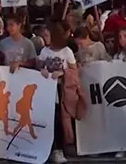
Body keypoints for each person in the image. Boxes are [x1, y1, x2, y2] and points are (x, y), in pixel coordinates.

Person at [37, 22, 77, 164]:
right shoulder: (44, 52)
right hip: (47, 91)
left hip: (61, 90)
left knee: (61, 120)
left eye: (47, 35)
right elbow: (38, 66)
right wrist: (42, 70)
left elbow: (75, 70)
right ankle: (50, 149)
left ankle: (60, 149)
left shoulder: (66, 51)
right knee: (50, 120)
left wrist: (62, 73)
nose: (45, 38)